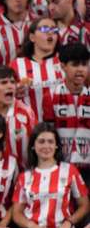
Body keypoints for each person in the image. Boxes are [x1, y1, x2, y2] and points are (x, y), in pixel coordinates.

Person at [12, 123, 90, 228]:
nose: (46, 146)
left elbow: (85, 205)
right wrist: (31, 226)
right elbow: (16, 213)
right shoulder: (24, 177)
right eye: (41, 141)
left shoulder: (69, 171)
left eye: (50, 142)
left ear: (56, 145)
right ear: (33, 145)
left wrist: (68, 222)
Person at [42, 43, 90, 182]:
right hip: (61, 163)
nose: (80, 69)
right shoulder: (50, 95)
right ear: (62, 66)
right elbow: (48, 132)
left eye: (84, 64)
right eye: (75, 65)